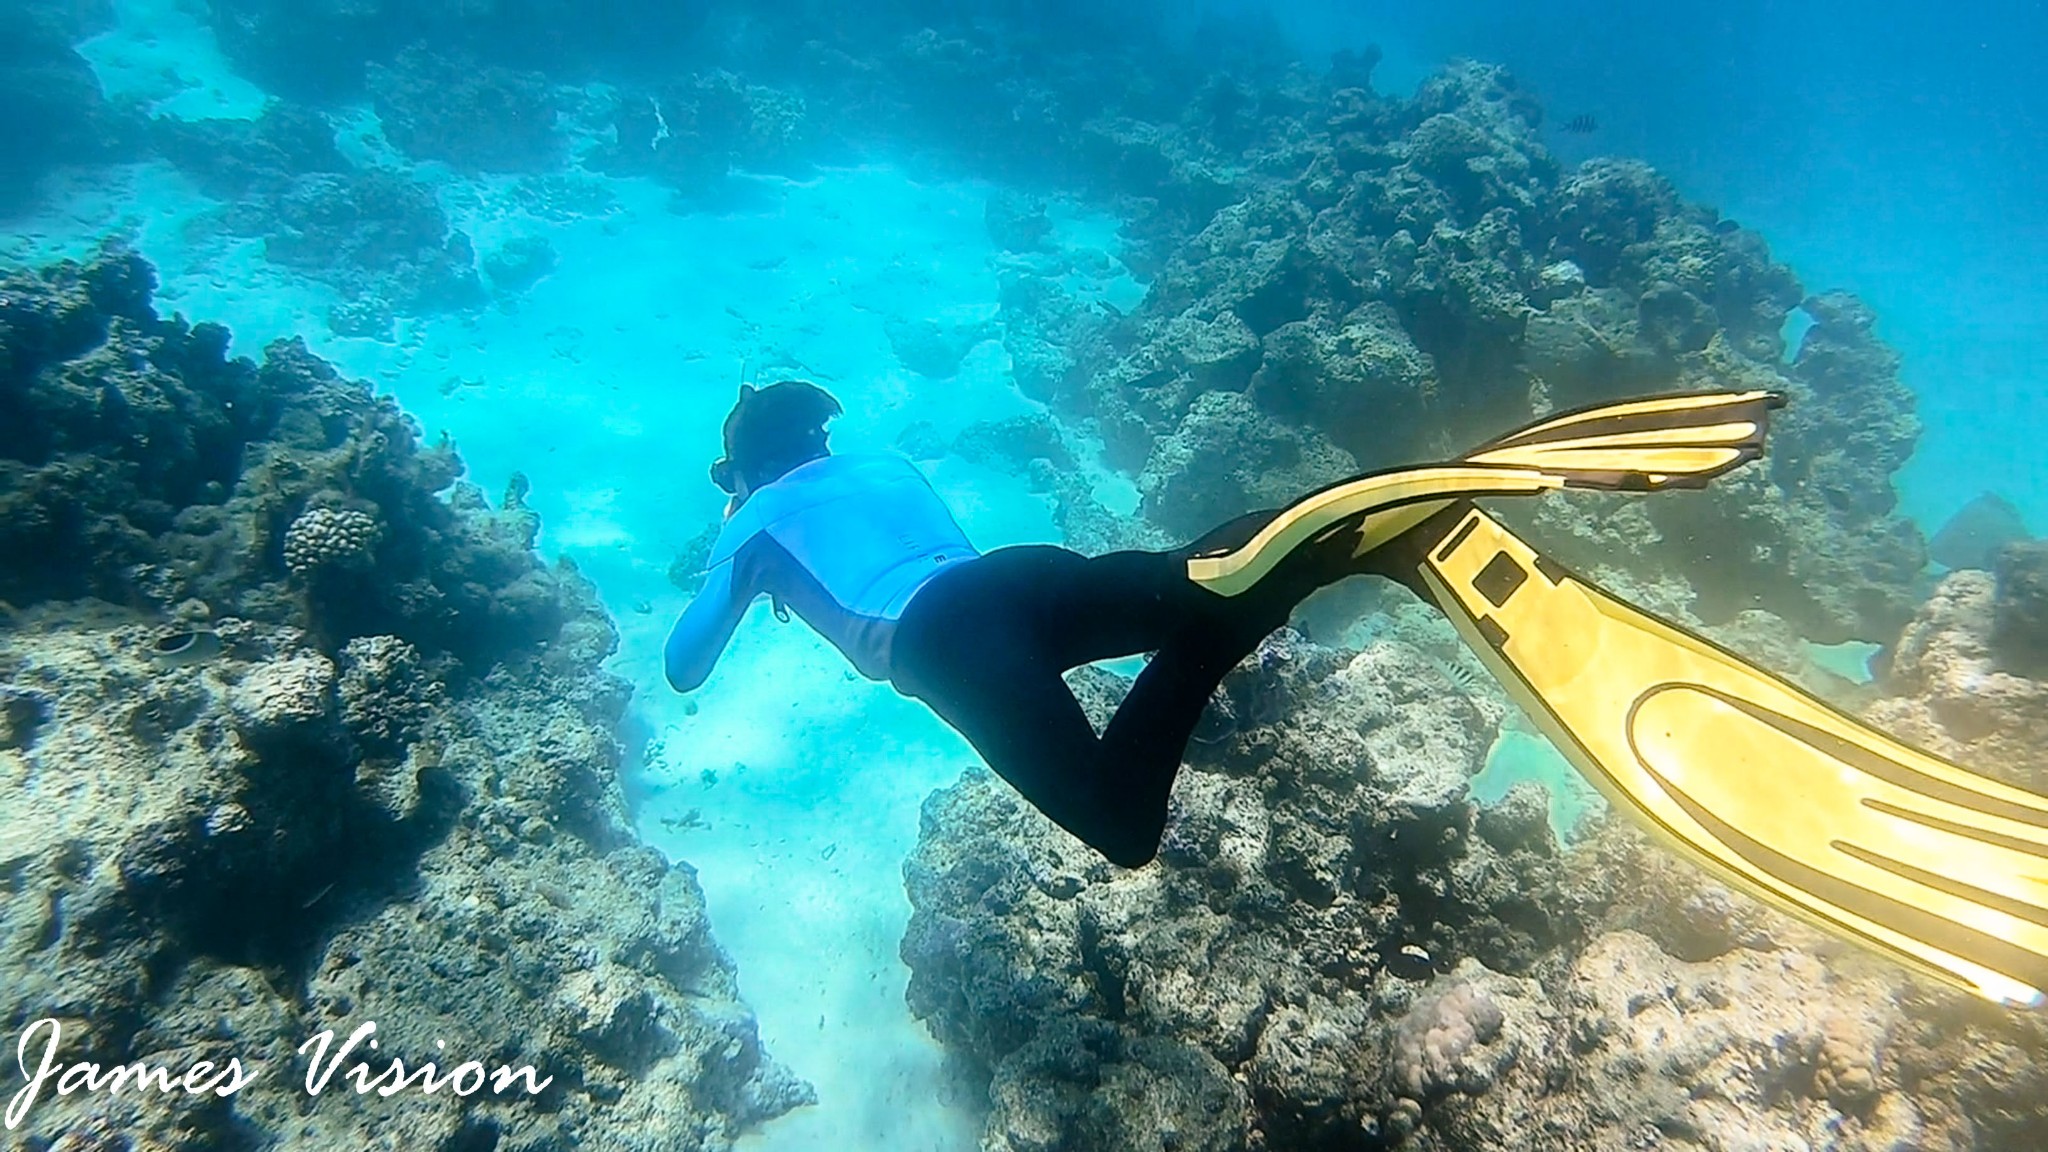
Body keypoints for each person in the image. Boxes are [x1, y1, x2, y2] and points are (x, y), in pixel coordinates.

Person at [666, 380, 1372, 868]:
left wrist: (735, 524)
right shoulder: (883, 462)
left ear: (739, 471)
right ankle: (1334, 539)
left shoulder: (752, 522)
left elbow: (683, 666)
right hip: (1018, 576)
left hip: (946, 637)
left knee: (1120, 824)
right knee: (1184, 575)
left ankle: (1233, 623)